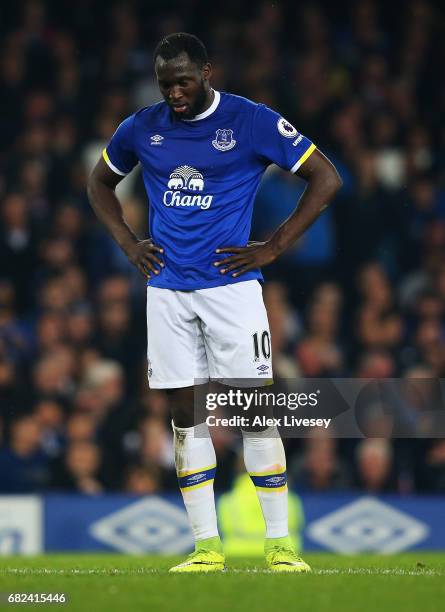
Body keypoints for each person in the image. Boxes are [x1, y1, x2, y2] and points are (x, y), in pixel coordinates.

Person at [87, 32, 341, 572]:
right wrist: (130, 244)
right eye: (165, 85)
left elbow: (325, 178)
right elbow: (99, 184)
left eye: (183, 81)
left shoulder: (251, 121)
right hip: (168, 290)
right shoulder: (142, 127)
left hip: (231, 290)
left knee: (255, 409)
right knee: (186, 416)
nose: (174, 93)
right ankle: (206, 548)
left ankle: (279, 545)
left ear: (207, 72)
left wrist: (273, 246)